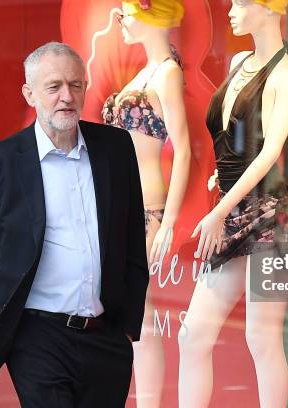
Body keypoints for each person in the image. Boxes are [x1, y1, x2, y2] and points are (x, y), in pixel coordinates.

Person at [0, 42, 149, 407]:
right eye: (54, 86)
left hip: (105, 337)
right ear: (30, 94)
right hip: (36, 337)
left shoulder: (116, 148)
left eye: (76, 85)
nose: (66, 97)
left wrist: (126, 327)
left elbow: (134, 238)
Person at [178, 1, 288, 407]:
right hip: (232, 209)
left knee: (261, 338)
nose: (231, 10)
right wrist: (222, 181)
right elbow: (236, 140)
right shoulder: (237, 61)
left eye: (242, 2)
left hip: (272, 214)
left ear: (269, 9)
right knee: (192, 333)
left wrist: (217, 209)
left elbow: (270, 153)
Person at [99, 1, 190, 406]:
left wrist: (168, 220)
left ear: (150, 15)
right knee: (131, 317)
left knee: (143, 316)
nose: (119, 20)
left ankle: (148, 402)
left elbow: (183, 150)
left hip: (145, 207)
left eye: (127, 11)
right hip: (118, 206)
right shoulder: (145, 72)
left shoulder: (167, 73)